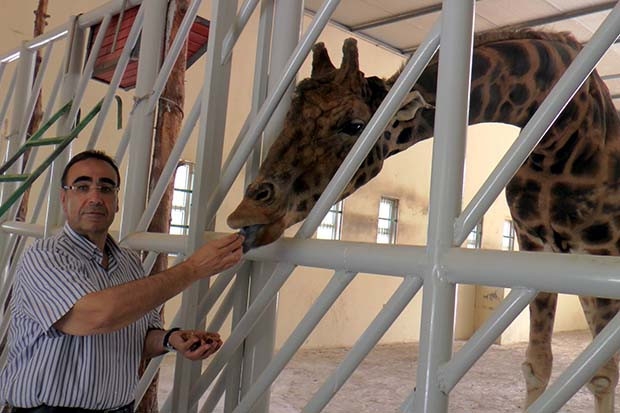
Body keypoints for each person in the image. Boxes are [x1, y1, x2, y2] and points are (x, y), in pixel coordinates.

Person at [0, 150, 244, 412]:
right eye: (82, 187)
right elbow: (97, 316)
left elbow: (138, 337)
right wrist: (193, 268)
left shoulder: (128, 263)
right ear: (63, 198)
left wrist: (171, 339)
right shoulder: (44, 258)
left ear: (116, 202)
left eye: (106, 188)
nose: (95, 198)